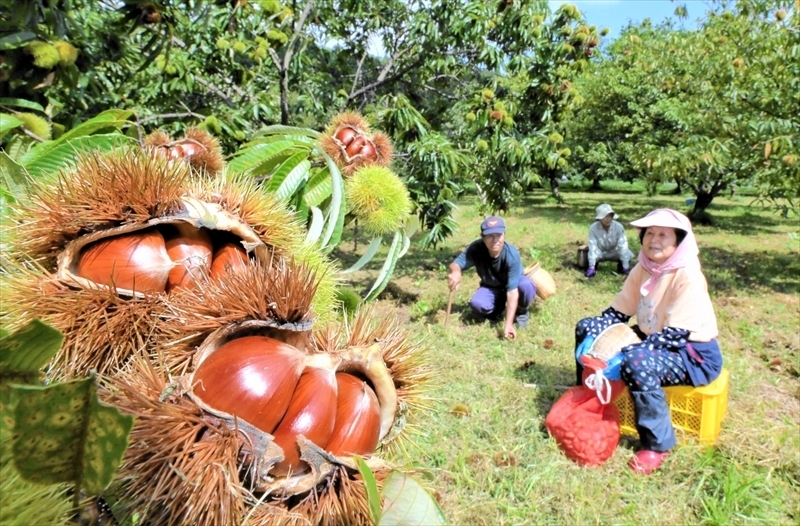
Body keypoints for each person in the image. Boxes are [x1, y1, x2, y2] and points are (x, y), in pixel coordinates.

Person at [573, 209, 722, 474]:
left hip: (691, 354)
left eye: (664, 235)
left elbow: (676, 335)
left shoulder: (686, 275)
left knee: (636, 360)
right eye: (649, 233)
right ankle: (586, 397)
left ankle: (657, 445)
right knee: (587, 326)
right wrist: (592, 335)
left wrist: (626, 351)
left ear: (679, 242)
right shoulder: (644, 268)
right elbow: (618, 313)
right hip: (654, 337)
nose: (654, 240)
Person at [447, 216, 536, 340]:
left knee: (526, 286)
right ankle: (497, 309)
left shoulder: (511, 254)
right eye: (490, 236)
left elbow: (512, 292)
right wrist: (456, 272)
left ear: (504, 235)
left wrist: (508, 325)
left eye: (498, 235)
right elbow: (456, 263)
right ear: (482, 237)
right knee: (477, 304)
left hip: (513, 286)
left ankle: (521, 312)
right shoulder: (476, 248)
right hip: (491, 287)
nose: (495, 240)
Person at [585, 203, 634, 277]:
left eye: (610, 216)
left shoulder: (618, 227)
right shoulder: (593, 228)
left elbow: (622, 245)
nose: (608, 219)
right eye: (605, 216)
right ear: (600, 218)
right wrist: (591, 265)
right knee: (589, 252)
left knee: (627, 253)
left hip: (614, 252)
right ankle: (593, 267)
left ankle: (622, 267)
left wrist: (626, 266)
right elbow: (592, 245)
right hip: (599, 252)